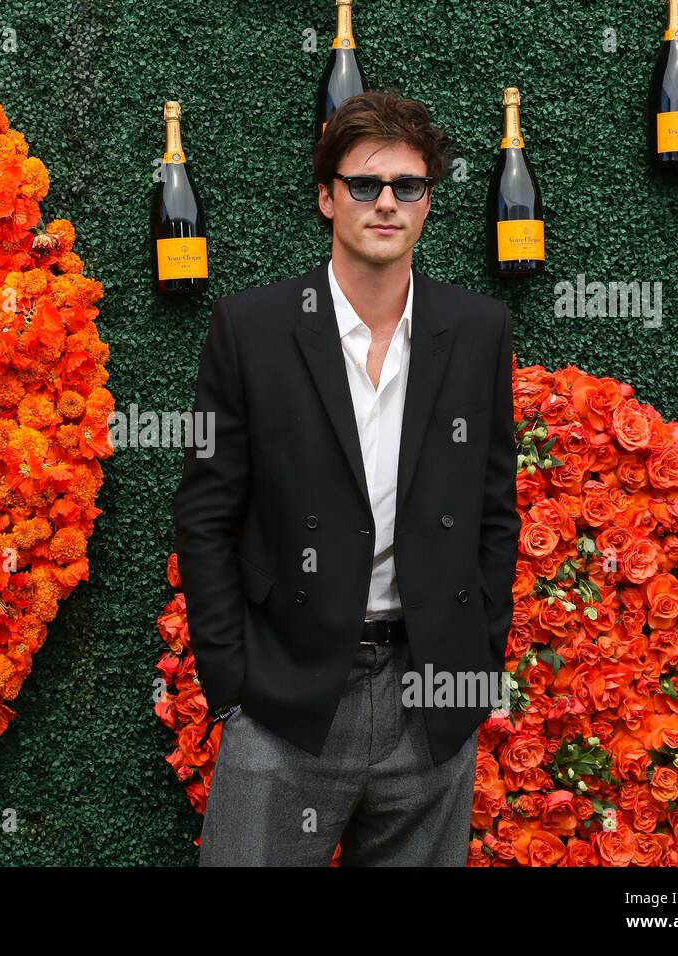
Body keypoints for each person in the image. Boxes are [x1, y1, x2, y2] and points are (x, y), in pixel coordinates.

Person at [171, 88, 521, 866]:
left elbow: (497, 513)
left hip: (430, 698)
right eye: (365, 185)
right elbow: (204, 514)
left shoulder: (477, 330)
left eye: (409, 186)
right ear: (327, 198)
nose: (387, 203)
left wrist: (477, 665)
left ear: (429, 200)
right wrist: (234, 686)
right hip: (286, 697)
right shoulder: (252, 328)